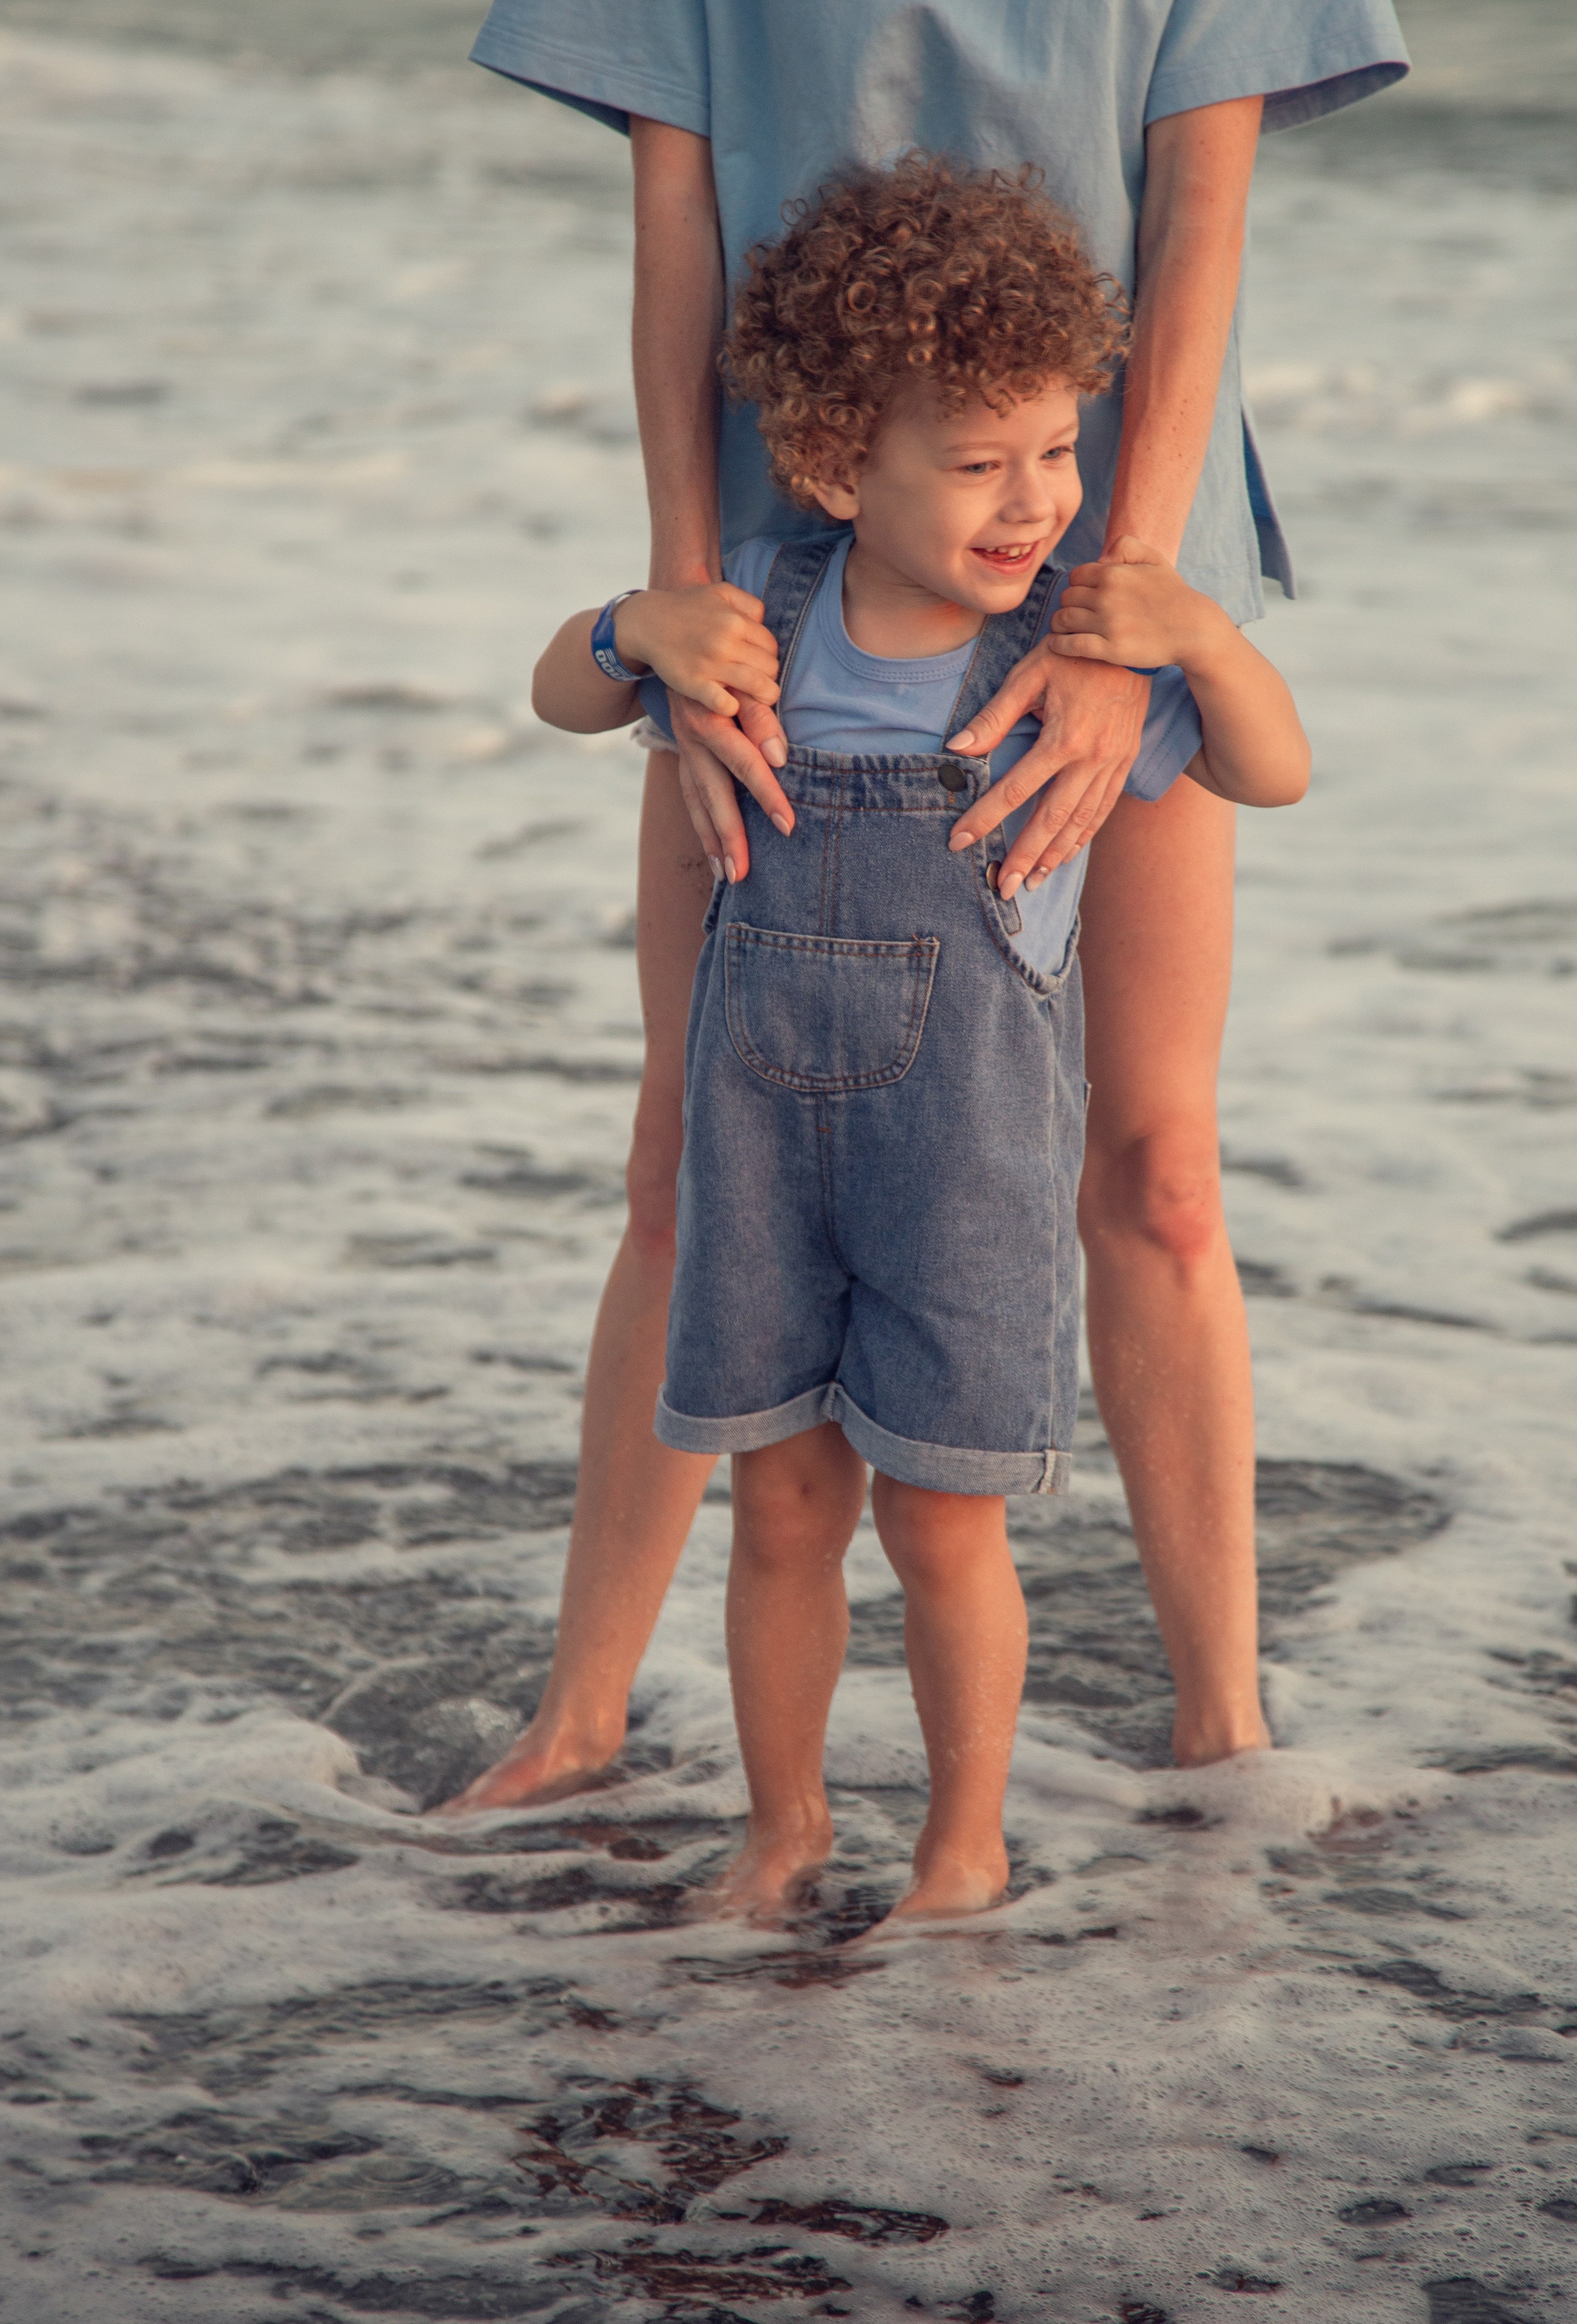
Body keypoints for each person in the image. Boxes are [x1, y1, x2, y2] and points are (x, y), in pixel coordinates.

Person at [444, 0, 1408, 1815]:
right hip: (794, 544)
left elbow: (1204, 211)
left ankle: (1227, 1737)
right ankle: (579, 1722)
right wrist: (673, 601)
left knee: (1163, 1164)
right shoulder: (752, 568)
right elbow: (676, 224)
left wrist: (1129, 609)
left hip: (1099, 541)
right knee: (687, 1149)